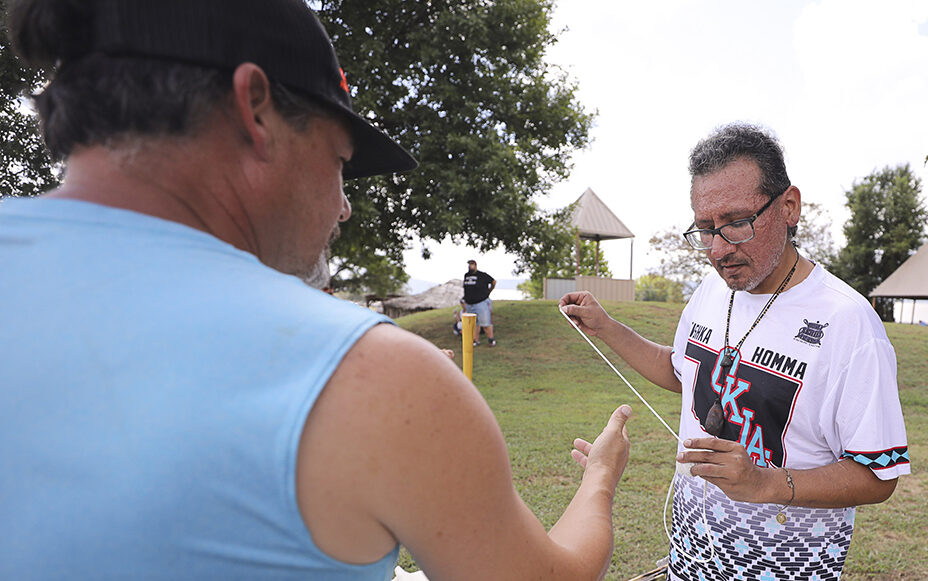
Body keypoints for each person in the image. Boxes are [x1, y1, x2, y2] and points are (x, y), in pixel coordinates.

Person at [0, 1, 633, 580]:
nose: (345, 207)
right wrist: (601, 478)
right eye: (340, 162)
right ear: (255, 109)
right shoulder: (377, 376)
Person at [560, 123, 909, 581]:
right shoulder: (710, 289)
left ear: (789, 207)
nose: (719, 249)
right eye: (705, 229)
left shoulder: (848, 322)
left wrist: (764, 483)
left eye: (738, 223)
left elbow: (878, 476)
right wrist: (606, 328)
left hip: (787, 568)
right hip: (689, 561)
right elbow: (681, 370)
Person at [462, 259, 497, 346]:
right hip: (470, 303)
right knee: (474, 324)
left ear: (475, 265)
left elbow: (493, 281)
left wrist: (489, 291)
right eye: (469, 265)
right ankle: (475, 340)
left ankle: (491, 339)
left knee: (485, 323)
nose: (470, 266)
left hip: (481, 302)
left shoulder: (482, 275)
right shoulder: (466, 275)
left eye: (472, 264)